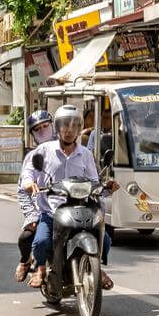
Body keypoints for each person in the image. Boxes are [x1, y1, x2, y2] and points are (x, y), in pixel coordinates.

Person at [28, 104, 117, 291]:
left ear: (79, 128)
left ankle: (97, 267)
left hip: (82, 207)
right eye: (64, 125)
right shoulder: (44, 150)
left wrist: (106, 187)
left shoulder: (86, 154)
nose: (68, 130)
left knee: (106, 240)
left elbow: (94, 181)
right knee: (41, 242)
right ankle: (41, 269)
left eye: (73, 125)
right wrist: (30, 183)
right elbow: (30, 172)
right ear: (57, 127)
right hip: (52, 210)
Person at [15, 112, 54, 280]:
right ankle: (27, 261)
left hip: (68, 208)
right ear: (32, 134)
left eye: (46, 126)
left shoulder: (72, 150)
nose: (43, 131)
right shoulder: (32, 157)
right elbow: (22, 190)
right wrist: (32, 216)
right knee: (26, 238)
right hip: (42, 210)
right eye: (38, 129)